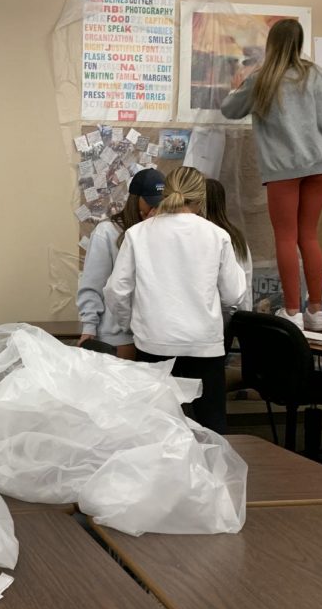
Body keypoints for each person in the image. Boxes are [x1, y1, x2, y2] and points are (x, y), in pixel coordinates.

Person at [103, 167, 246, 434]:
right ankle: (214, 475)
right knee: (211, 427)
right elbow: (233, 294)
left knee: (157, 429)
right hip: (204, 344)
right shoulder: (217, 235)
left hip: (154, 341)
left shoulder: (139, 233)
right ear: (200, 199)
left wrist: (133, 324)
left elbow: (116, 291)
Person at [221, 18, 322, 332]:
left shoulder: (263, 79)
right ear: (299, 43)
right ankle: (316, 312)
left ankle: (292, 312)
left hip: (284, 169)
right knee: (309, 236)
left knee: (285, 238)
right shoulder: (318, 75)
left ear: (272, 44)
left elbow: (229, 110)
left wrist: (238, 86)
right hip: (320, 166)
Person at [77, 168, 165, 359]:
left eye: (161, 204)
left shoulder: (162, 231)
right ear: (135, 199)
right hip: (117, 335)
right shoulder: (107, 232)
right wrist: (89, 325)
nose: (155, 210)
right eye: (150, 203)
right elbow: (92, 284)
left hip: (153, 334)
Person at [205, 178, 253, 319]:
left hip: (223, 317)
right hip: (240, 317)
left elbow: (230, 295)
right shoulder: (237, 237)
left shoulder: (216, 238)